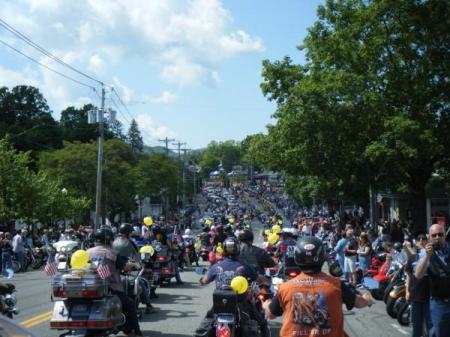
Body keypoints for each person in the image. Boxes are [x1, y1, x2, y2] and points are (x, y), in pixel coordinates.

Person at [263, 236, 373, 337]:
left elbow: (271, 315)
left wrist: (266, 305)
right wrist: (367, 298)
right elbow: (360, 303)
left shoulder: (285, 288)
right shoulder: (337, 285)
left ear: (297, 258)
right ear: (322, 258)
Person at [195, 237, 260, 337]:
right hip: (240, 303)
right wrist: (267, 281)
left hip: (220, 304)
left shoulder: (217, 266)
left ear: (224, 250)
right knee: (261, 321)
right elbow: (257, 278)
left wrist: (201, 280)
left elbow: (205, 281)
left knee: (204, 325)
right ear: (237, 249)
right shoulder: (244, 266)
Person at [87, 227, 143, 337]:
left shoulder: (87, 252)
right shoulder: (111, 253)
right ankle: (137, 333)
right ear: (109, 240)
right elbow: (125, 267)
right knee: (130, 306)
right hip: (110, 288)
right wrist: (133, 265)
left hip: (89, 286)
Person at [415, 224, 450, 337]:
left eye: (440, 234)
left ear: (445, 235)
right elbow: (418, 275)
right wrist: (427, 256)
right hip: (439, 303)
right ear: (429, 237)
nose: (437, 237)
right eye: (434, 235)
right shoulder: (426, 253)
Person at [112, 223, 155, 314]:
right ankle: (148, 305)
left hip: (113, 271)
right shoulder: (128, 242)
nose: (131, 234)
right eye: (130, 232)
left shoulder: (113, 241)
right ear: (127, 233)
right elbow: (137, 255)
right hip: (124, 268)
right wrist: (137, 263)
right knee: (141, 282)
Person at [405, 233, 432, 337]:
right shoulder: (412, 258)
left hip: (430, 297)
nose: (421, 240)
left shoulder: (433, 257)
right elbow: (408, 275)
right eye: (419, 239)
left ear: (427, 241)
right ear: (416, 243)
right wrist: (407, 290)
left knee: (431, 327)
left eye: (424, 239)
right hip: (416, 296)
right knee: (416, 326)